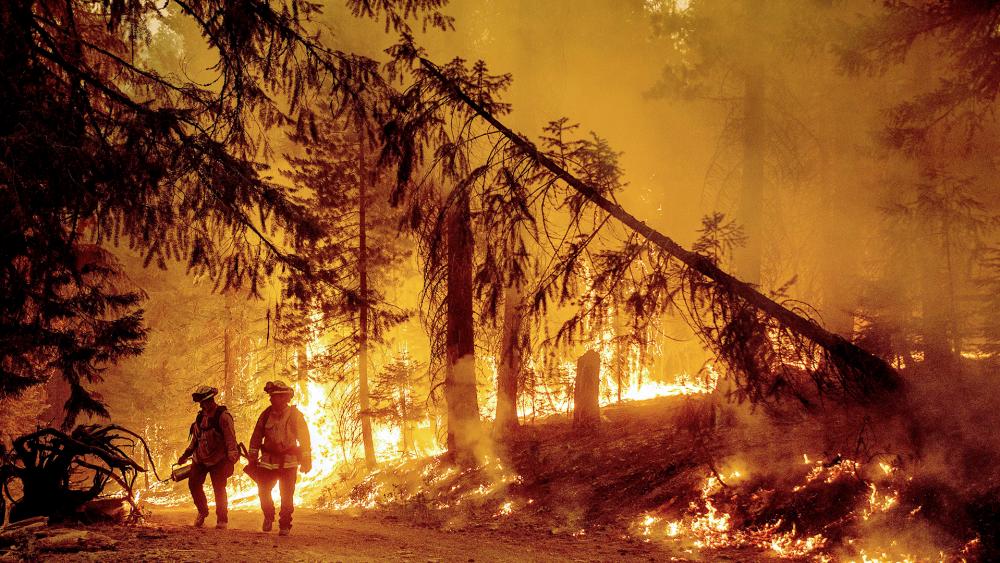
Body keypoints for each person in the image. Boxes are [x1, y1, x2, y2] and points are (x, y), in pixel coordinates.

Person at [248, 380, 312, 536]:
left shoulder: (296, 415)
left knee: (287, 495)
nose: (270, 399)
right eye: (270, 396)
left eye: (274, 396)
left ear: (284, 398)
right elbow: (256, 436)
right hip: (268, 461)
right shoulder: (265, 414)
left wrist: (306, 460)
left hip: (288, 462)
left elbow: (304, 438)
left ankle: (284, 525)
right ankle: (269, 515)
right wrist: (253, 456)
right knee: (263, 491)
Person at [177, 385, 239, 529]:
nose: (202, 405)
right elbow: (195, 439)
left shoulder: (223, 416)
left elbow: (231, 438)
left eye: (204, 402)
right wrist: (185, 455)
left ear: (211, 400)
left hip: (219, 459)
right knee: (193, 484)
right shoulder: (200, 417)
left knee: (219, 488)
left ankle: (222, 519)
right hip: (200, 459)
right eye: (201, 403)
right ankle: (202, 512)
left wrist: (232, 458)